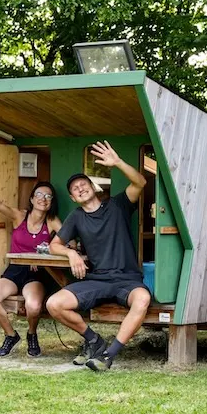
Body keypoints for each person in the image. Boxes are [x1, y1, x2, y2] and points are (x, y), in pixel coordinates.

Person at [46, 141, 151, 372]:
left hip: (127, 279)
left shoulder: (118, 205)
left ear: (94, 188)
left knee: (142, 300)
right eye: (75, 188)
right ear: (73, 198)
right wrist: (71, 253)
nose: (80, 188)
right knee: (54, 304)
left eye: (84, 184)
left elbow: (140, 182)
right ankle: (94, 341)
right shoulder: (75, 217)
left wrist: (118, 162)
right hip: (96, 280)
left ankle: (107, 355)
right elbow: (54, 245)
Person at [0, 169, 61, 357]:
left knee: (34, 306)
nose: (43, 199)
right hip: (15, 271)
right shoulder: (20, 216)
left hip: (36, 273)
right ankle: (11, 335)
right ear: (32, 199)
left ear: (51, 202)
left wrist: (44, 255)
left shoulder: (52, 221)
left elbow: (69, 240)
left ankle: (32, 334)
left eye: (48, 196)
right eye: (39, 195)